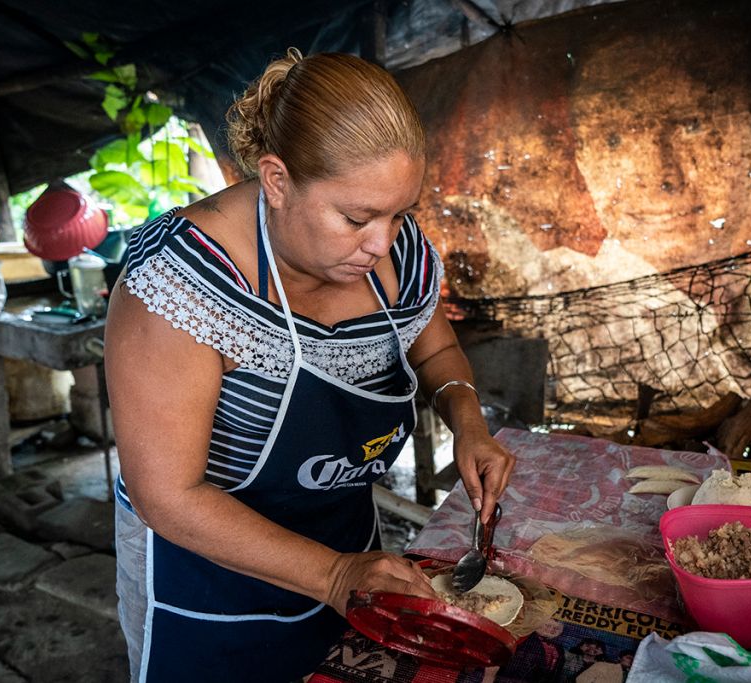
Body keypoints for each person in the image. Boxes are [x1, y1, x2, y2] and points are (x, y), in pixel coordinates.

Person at [105, 48, 516, 682]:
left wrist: (468, 422)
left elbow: (433, 348)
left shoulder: (397, 256)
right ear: (276, 179)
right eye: (355, 218)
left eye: (399, 213)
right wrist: (332, 574)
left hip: (347, 546)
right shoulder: (182, 285)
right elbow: (170, 496)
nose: (382, 242)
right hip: (203, 580)